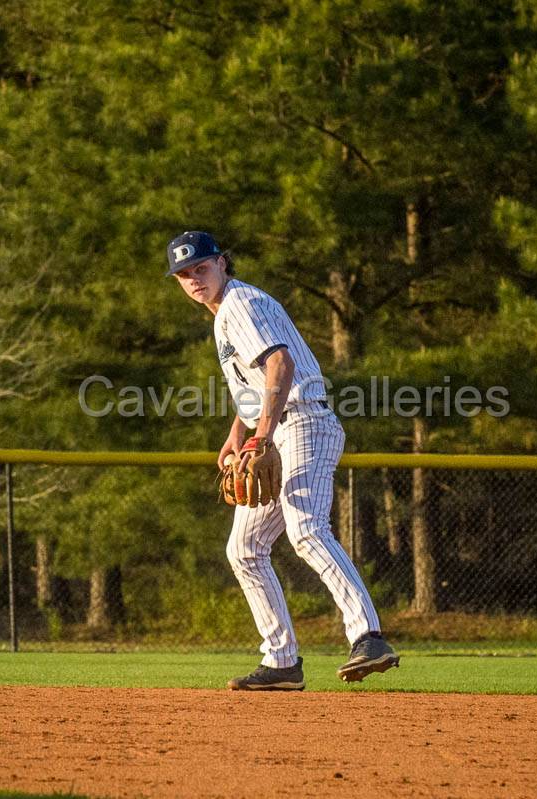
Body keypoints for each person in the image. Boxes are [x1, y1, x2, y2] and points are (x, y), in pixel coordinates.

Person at [166, 230, 399, 690]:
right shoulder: (224, 314)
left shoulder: (240, 304)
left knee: (307, 529)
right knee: (244, 549)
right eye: (184, 274)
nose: (194, 279)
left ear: (223, 264)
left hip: (304, 423)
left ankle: (369, 636)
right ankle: (281, 663)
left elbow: (280, 366)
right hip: (282, 427)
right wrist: (239, 434)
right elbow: (253, 388)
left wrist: (261, 438)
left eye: (201, 268)